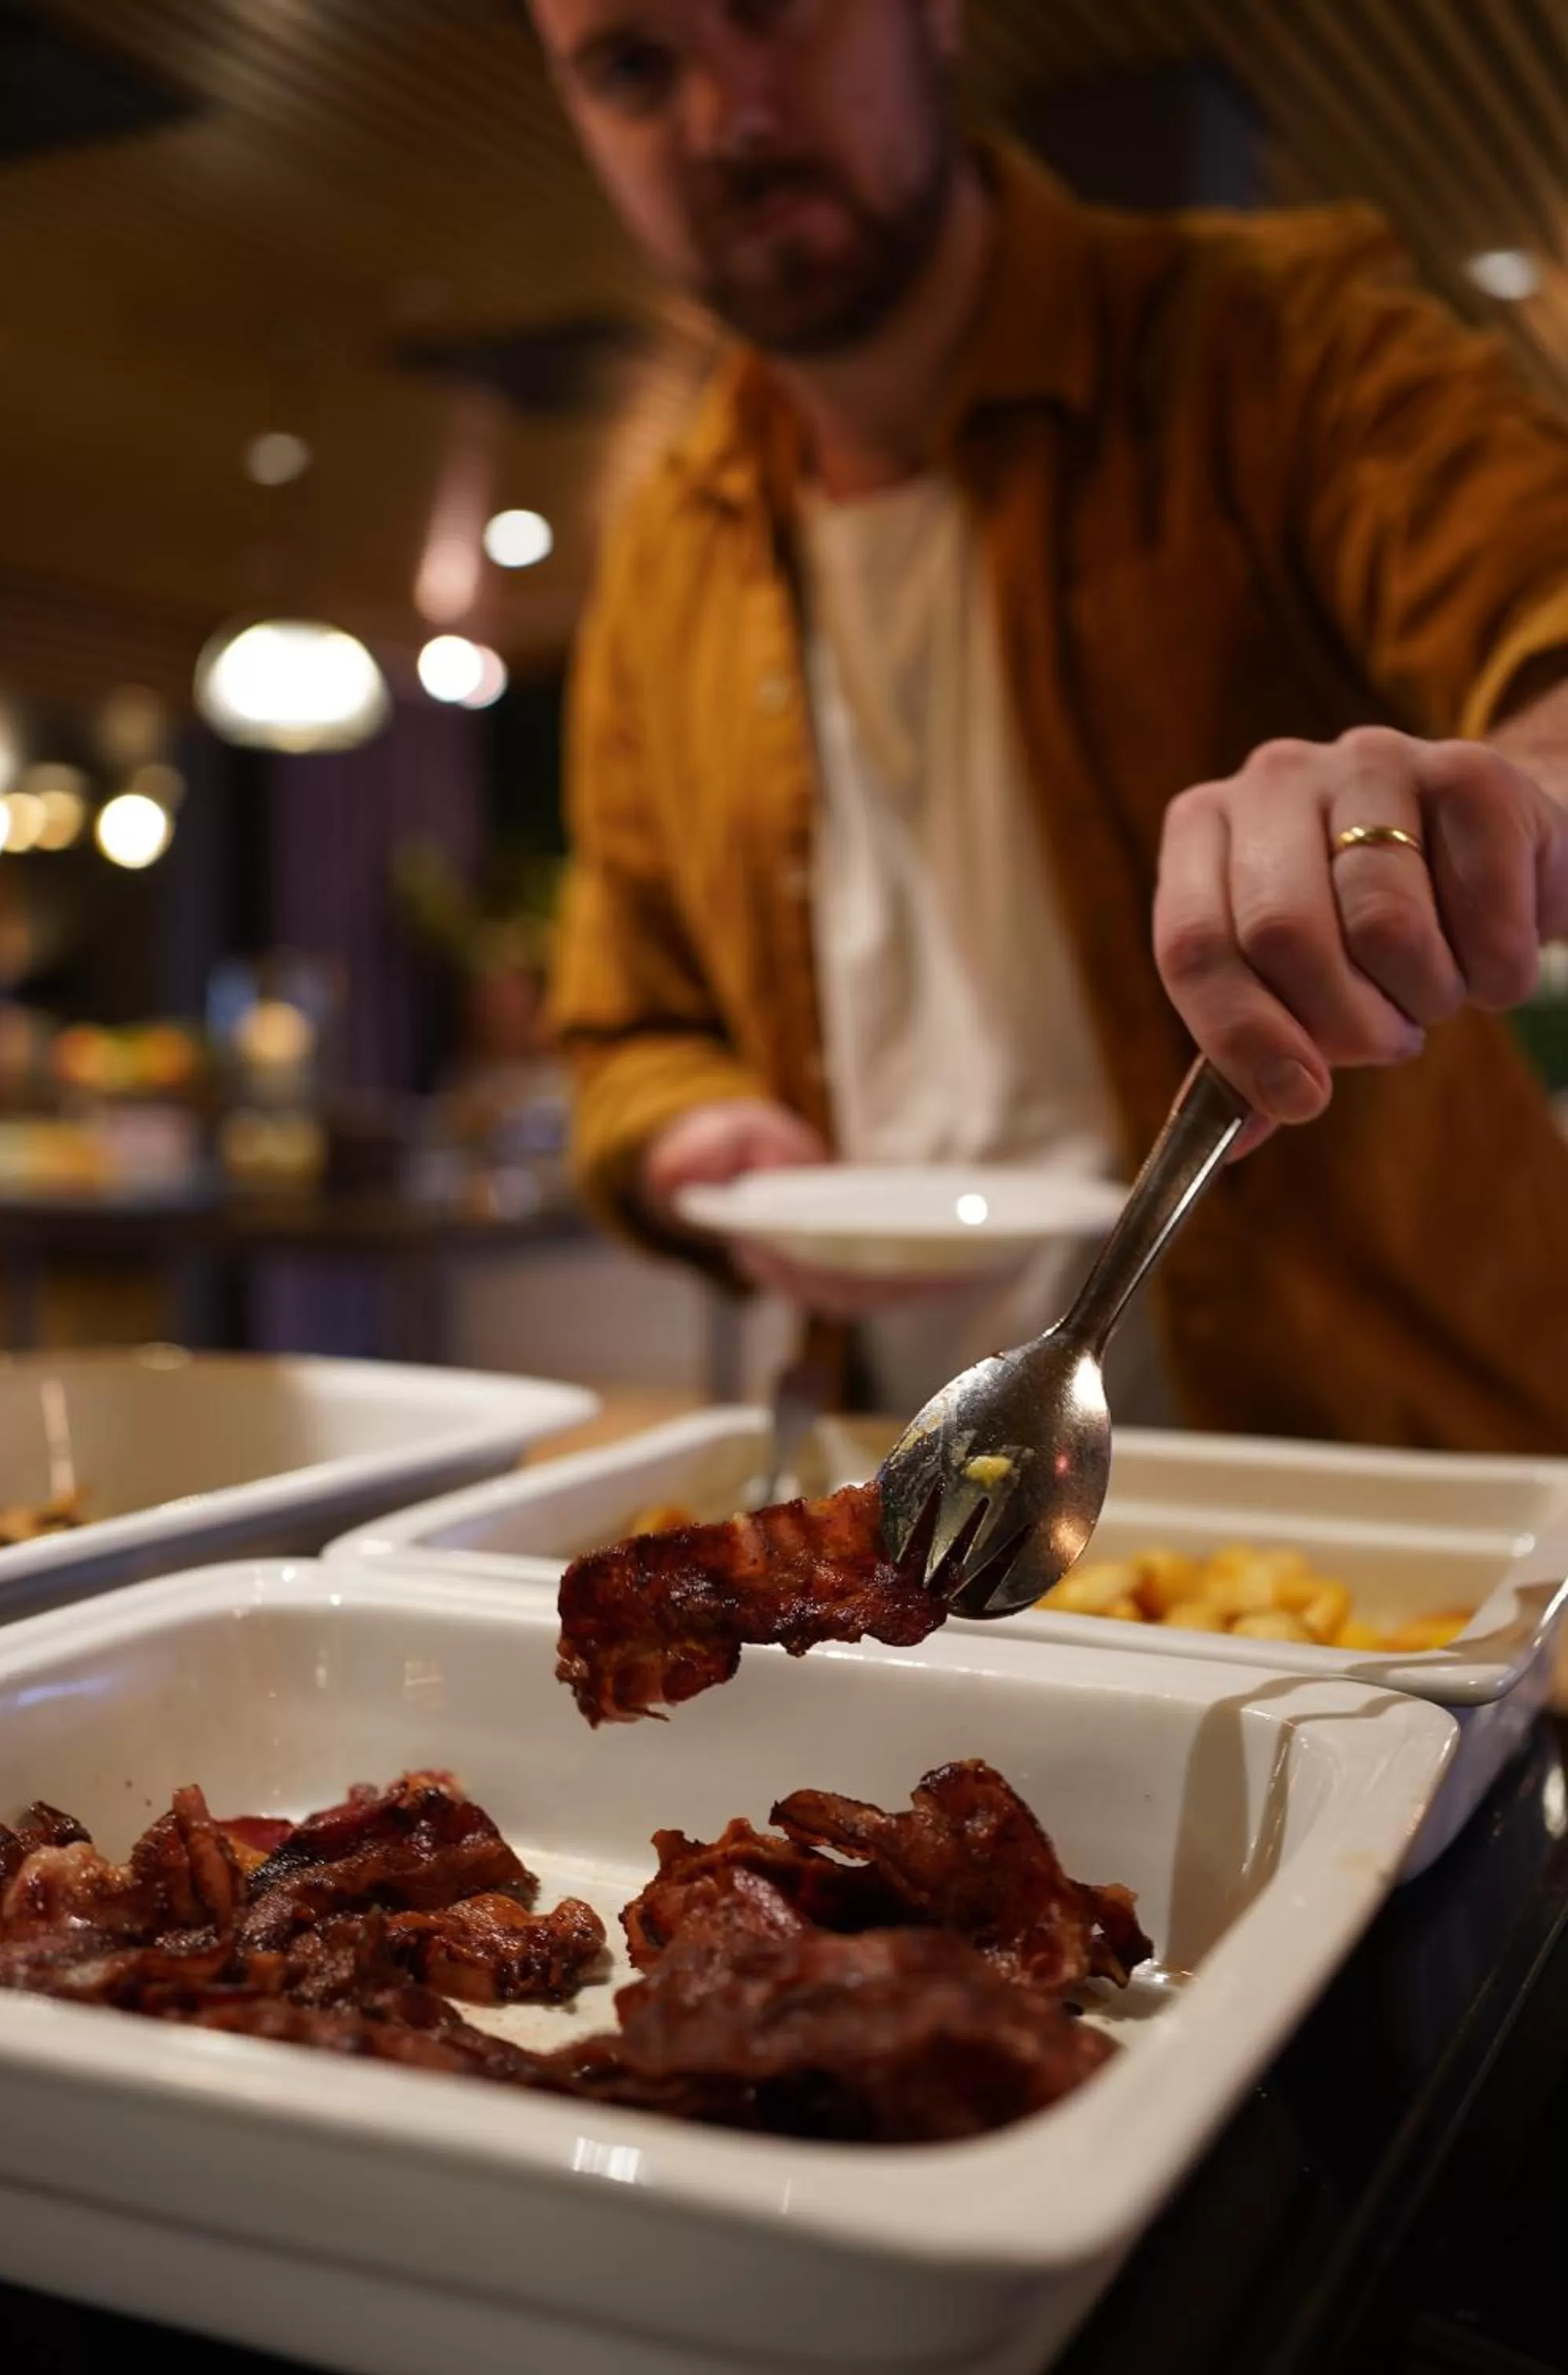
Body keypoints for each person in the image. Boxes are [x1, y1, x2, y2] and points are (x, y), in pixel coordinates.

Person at [529, 0, 1568, 1449]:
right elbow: (628, 1022)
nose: (729, 120)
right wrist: (698, 1136)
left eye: (775, 15)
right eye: (634, 68)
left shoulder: (1277, 342)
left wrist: (1504, 796)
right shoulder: (665, 555)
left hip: (1398, 1489)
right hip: (934, 1508)